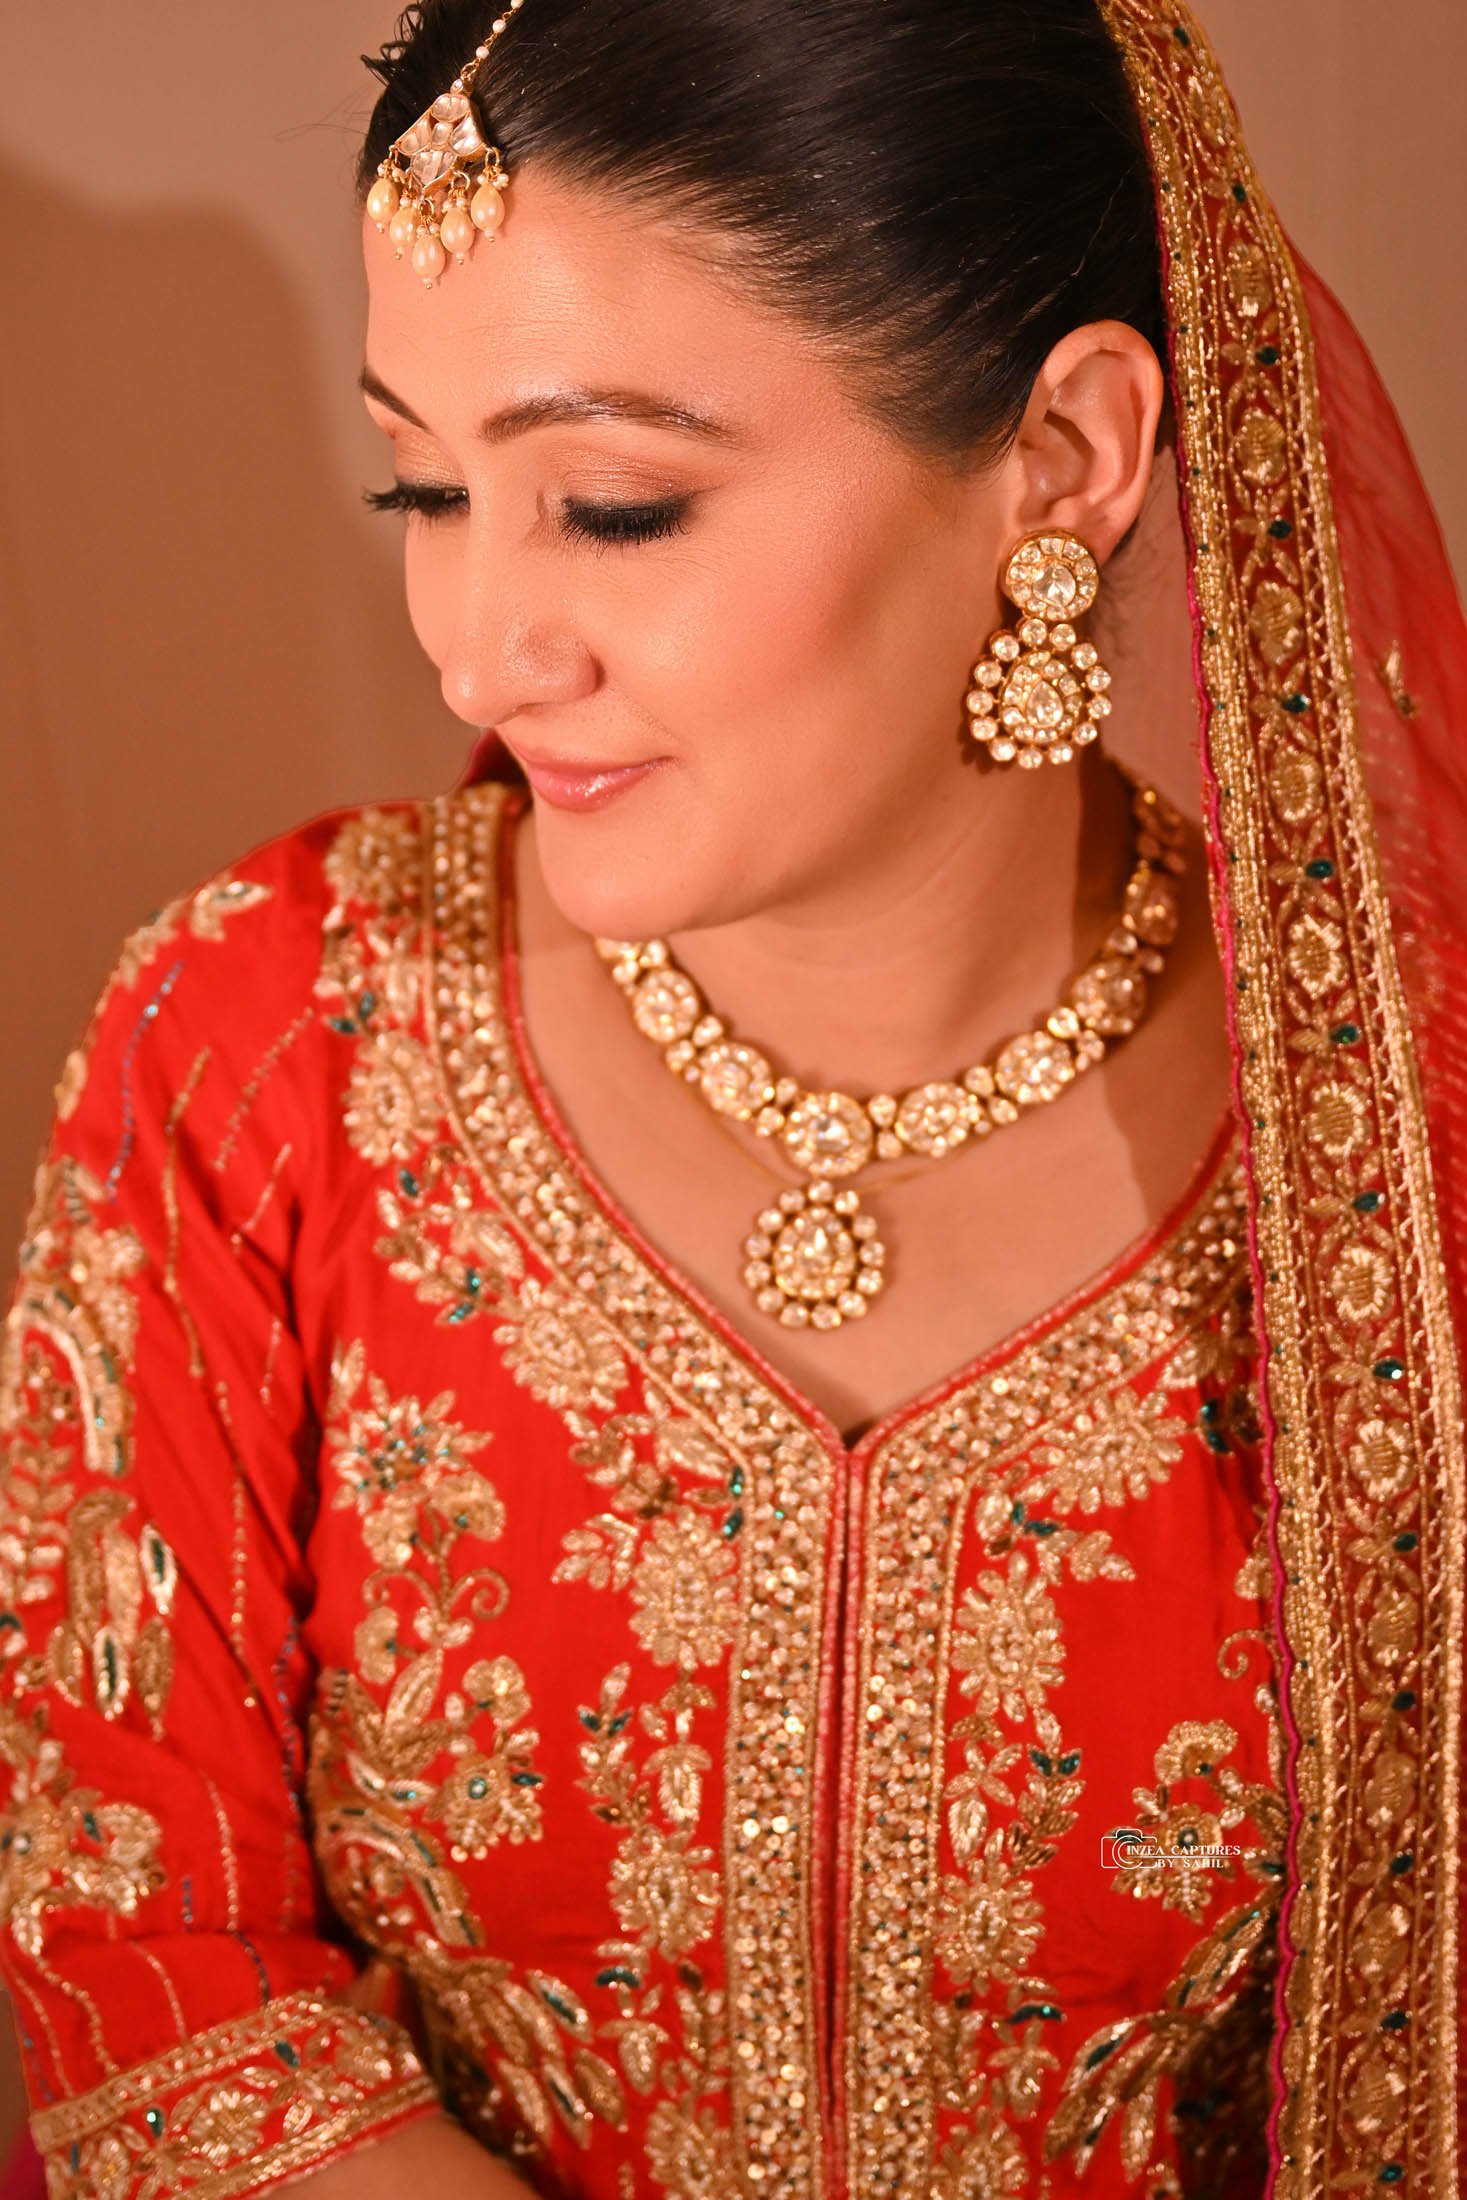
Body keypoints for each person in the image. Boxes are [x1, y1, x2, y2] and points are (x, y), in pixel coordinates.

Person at [1, 0, 1463, 2194]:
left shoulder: (1397, 1155)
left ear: (1059, 454)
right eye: (422, 483)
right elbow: (145, 1935)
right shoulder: (268, 1038)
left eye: (609, 503)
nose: (477, 643)